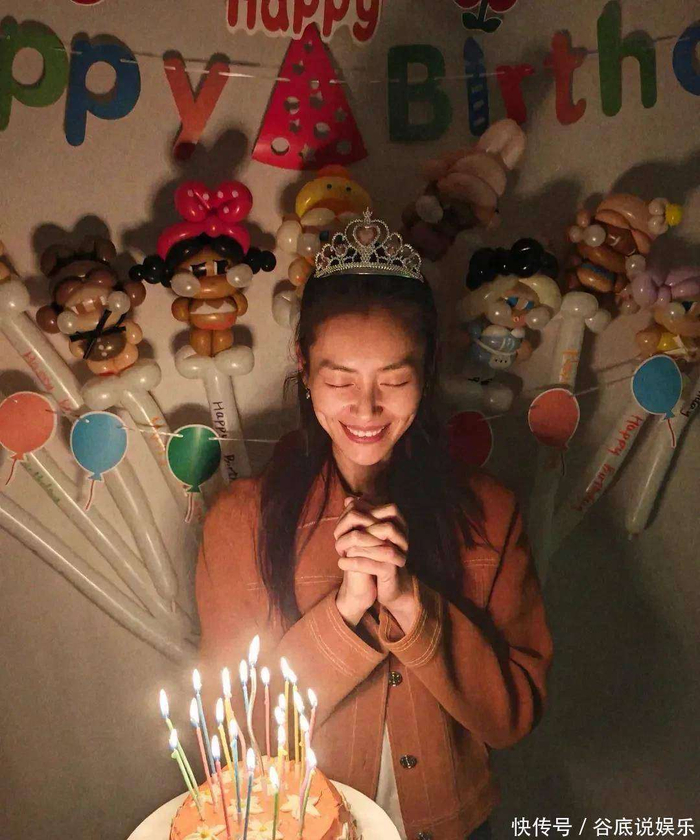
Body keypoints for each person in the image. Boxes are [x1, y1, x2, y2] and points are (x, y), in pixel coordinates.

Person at [196, 211, 554, 840]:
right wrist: (345, 613)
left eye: (395, 379)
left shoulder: (491, 513)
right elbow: (238, 732)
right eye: (339, 380)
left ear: (428, 371)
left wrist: (411, 604)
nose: (366, 408)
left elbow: (511, 718)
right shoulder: (240, 523)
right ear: (304, 367)